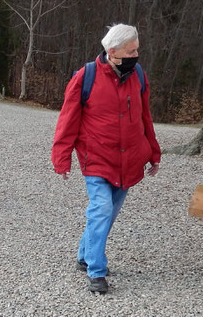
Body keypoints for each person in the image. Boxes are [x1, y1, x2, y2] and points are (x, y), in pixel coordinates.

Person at [51, 24, 161, 294]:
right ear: (112, 52)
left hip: (129, 160)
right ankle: (96, 271)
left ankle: (84, 255)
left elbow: (145, 117)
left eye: (137, 49)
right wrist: (61, 158)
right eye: (131, 50)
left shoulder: (138, 75)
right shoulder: (85, 77)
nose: (136, 54)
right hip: (97, 158)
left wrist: (154, 153)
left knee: (107, 215)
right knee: (100, 209)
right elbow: (67, 120)